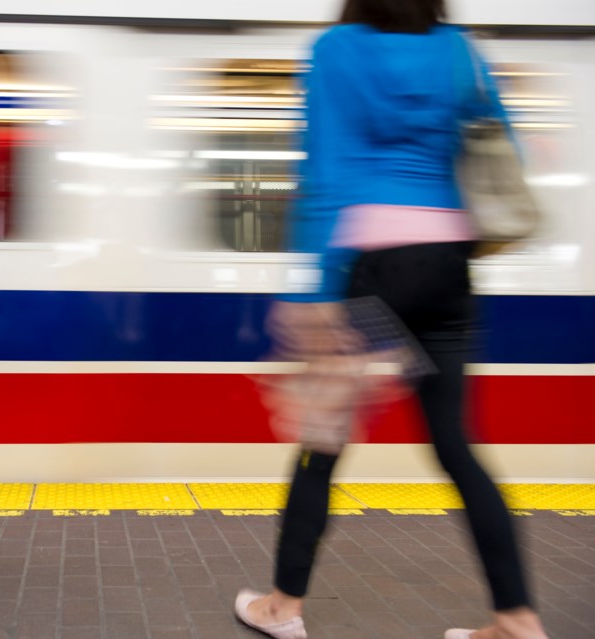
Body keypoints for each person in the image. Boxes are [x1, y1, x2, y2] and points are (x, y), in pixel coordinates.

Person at [234, 1, 550, 638]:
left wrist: (312, 292)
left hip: (370, 268)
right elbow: (506, 145)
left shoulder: (337, 49)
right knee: (457, 447)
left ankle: (282, 608)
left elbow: (323, 173)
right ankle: (516, 619)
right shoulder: (459, 50)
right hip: (447, 267)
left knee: (322, 443)